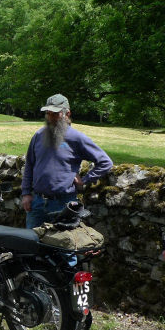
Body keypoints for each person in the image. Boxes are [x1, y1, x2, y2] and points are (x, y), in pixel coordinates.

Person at [21, 94, 113, 229]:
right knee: (32, 244)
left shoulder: (76, 138)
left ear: (67, 114)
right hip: (38, 202)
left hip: (63, 203)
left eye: (55, 114)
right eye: (48, 113)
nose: (50, 118)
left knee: (65, 246)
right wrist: (26, 194)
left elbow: (105, 162)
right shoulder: (39, 135)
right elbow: (29, 164)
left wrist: (85, 180)